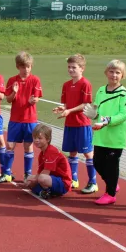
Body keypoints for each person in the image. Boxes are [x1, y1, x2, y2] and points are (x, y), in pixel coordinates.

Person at [84, 60, 126, 206]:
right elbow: (97, 110)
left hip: (115, 138)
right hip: (100, 135)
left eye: (118, 72)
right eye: (111, 71)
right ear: (106, 73)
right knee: (97, 162)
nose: (114, 75)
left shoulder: (124, 94)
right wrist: (93, 115)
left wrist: (105, 120)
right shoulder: (101, 90)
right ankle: (112, 182)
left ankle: (110, 194)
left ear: (123, 75)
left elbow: (123, 115)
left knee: (111, 166)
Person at [52, 54, 97, 194]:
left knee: (88, 153)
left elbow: (86, 104)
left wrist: (69, 111)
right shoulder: (66, 85)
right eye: (69, 67)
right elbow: (66, 104)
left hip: (82, 124)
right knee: (72, 153)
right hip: (70, 123)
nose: (71, 70)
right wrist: (63, 109)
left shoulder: (85, 84)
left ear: (82, 68)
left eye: (74, 67)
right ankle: (74, 179)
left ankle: (93, 182)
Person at [0, 52, 42, 184]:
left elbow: (37, 98)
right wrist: (14, 92)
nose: (26, 69)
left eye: (28, 66)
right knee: (10, 145)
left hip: (30, 120)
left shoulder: (35, 80)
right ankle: (7, 173)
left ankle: (27, 174)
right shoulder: (12, 80)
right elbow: (9, 99)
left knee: (28, 146)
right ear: (18, 67)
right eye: (23, 67)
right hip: (15, 119)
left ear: (31, 66)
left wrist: (34, 100)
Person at [24, 124, 71, 199]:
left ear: (48, 139)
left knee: (41, 178)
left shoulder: (51, 151)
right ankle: (42, 192)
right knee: (29, 179)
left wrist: (33, 181)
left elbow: (45, 172)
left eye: (39, 138)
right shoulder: (42, 154)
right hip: (51, 179)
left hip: (63, 182)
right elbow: (40, 172)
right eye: (34, 138)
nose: (36, 140)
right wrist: (30, 180)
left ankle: (46, 191)